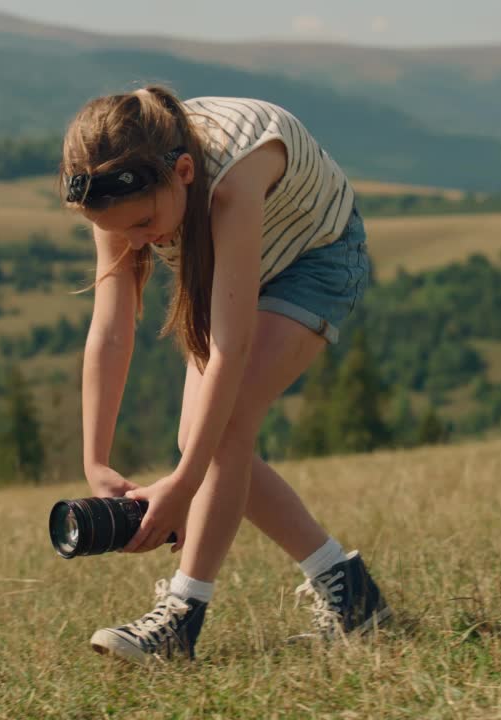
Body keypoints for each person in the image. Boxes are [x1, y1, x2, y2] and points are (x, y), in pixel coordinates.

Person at [61, 84, 390, 665]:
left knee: (225, 426)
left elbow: (231, 348)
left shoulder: (235, 173)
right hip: (231, 271)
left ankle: (181, 620)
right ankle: (350, 591)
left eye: (144, 225)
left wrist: (183, 487)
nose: (136, 243)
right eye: (121, 231)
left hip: (315, 260)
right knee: (199, 440)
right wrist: (96, 462)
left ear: (184, 172)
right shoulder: (114, 187)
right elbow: (110, 333)